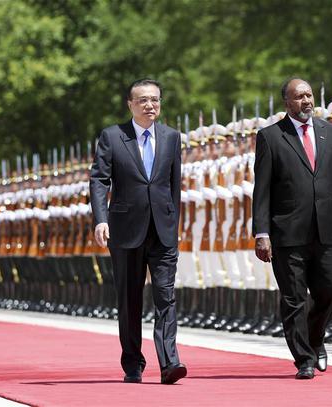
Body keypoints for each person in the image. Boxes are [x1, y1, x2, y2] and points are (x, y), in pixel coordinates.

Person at [252, 77, 332, 379]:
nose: (306, 101)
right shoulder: (271, 137)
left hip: (328, 229)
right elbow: (261, 191)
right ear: (286, 102)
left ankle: (315, 338)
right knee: (293, 298)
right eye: (299, 97)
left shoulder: (331, 133)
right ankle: (303, 358)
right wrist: (261, 233)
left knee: (331, 289)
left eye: (309, 95)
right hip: (288, 233)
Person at [90, 78, 186, 384]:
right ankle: (133, 362)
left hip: (162, 231)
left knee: (165, 296)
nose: (150, 105)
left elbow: (174, 186)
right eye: (143, 100)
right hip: (126, 230)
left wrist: (173, 223)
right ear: (131, 104)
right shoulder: (113, 136)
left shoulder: (171, 137)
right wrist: (101, 219)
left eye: (155, 100)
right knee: (130, 300)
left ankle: (170, 362)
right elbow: (99, 180)